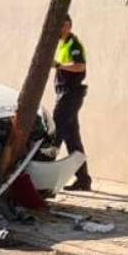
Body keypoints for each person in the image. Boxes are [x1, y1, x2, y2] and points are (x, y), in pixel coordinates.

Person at [53, 14, 92, 191]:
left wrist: (58, 66)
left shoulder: (73, 44)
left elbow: (80, 66)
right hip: (66, 94)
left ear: (68, 26)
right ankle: (83, 179)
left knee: (56, 133)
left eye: (60, 26)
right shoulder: (62, 44)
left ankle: (45, 176)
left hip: (70, 94)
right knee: (72, 138)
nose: (57, 30)